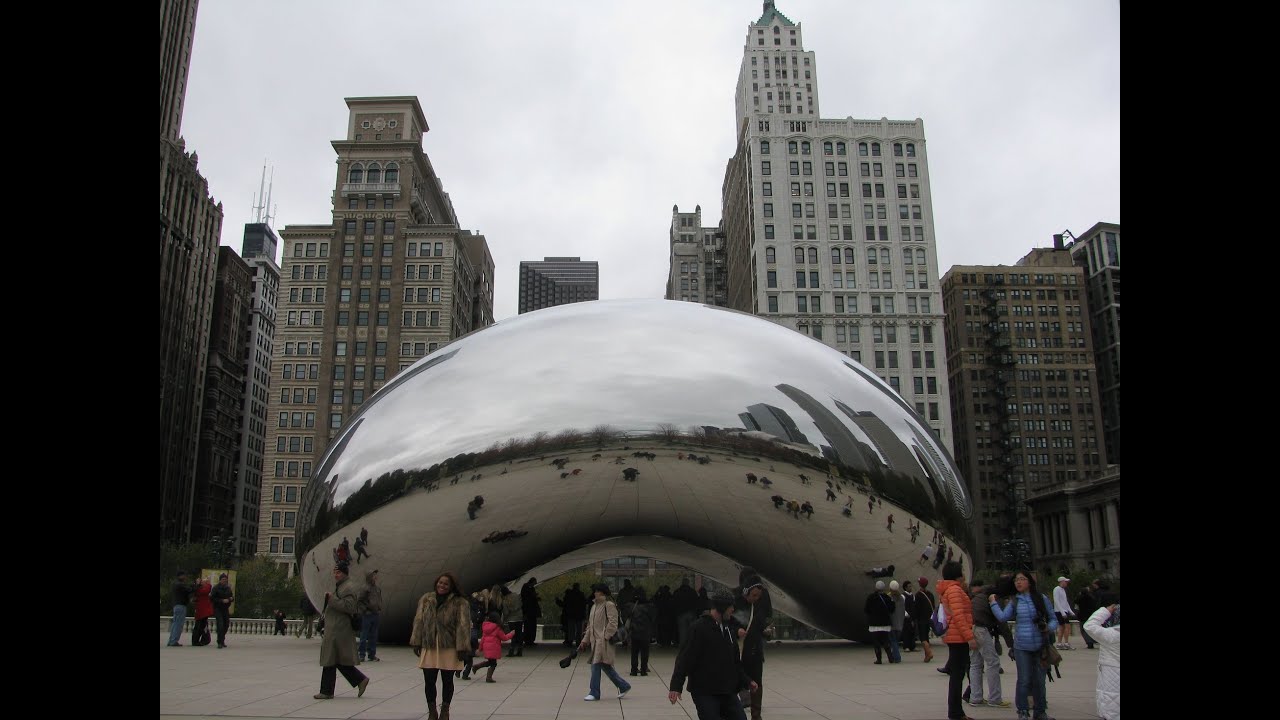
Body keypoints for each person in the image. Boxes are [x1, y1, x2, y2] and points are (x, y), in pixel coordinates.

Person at [668, 590, 758, 720]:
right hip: (705, 691)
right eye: (730, 607)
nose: (732, 610)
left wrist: (747, 680)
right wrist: (676, 686)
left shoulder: (728, 630)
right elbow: (685, 659)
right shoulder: (698, 628)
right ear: (721, 608)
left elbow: (734, 662)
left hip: (727, 691)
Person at [990, 571, 1059, 720]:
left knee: (1040, 681)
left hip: (1040, 646)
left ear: (1029, 582)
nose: (1018, 582)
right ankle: (1023, 711)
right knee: (1024, 680)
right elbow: (1003, 617)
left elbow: (1054, 619)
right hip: (1022, 646)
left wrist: (1048, 627)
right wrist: (993, 603)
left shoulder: (1041, 598)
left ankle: (1040, 712)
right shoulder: (1015, 600)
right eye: (1016, 580)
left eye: (1022, 579)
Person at [410, 572, 472, 720]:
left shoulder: (460, 602)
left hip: (449, 646)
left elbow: (463, 625)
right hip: (429, 644)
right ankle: (432, 711)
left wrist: (462, 647)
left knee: (447, 680)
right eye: (440, 582)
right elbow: (419, 620)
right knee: (429, 680)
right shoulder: (427, 599)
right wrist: (416, 640)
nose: (442, 586)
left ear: (451, 587)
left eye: (445, 584)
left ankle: (445, 710)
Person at [313, 563, 370, 701]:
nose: (335, 575)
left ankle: (327, 691)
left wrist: (332, 600)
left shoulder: (348, 587)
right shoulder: (342, 585)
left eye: (338, 572)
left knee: (330, 659)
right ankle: (359, 680)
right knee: (334, 660)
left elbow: (350, 607)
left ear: (344, 573)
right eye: (334, 572)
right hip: (335, 628)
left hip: (339, 629)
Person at [936, 561, 977, 720]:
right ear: (958, 575)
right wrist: (970, 637)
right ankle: (955, 712)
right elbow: (959, 616)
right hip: (958, 637)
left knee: (957, 675)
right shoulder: (954, 590)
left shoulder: (951, 589)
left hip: (955, 636)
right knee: (957, 675)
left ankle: (956, 712)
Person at [578, 583, 632, 701]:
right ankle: (624, 686)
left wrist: (605, 637)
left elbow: (613, 623)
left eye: (597, 591)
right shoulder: (594, 606)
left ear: (603, 592)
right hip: (596, 642)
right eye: (595, 591)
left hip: (604, 642)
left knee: (595, 665)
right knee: (605, 666)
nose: (595, 593)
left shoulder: (609, 605)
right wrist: (584, 641)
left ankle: (594, 692)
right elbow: (590, 627)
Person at [730, 574, 771, 720]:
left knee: (756, 683)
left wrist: (766, 631)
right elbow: (727, 623)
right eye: (753, 595)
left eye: (758, 596)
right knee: (734, 682)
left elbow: (762, 623)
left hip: (754, 651)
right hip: (738, 650)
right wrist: (737, 630)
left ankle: (756, 715)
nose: (755, 598)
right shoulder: (734, 603)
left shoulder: (759, 604)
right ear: (746, 591)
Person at [967, 578, 1009, 708]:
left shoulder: (980, 594)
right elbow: (1002, 621)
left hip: (971, 628)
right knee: (993, 662)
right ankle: (995, 698)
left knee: (975, 664)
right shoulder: (993, 597)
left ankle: (976, 697)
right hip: (981, 629)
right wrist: (1011, 643)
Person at [1082, 596, 1120, 720]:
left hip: (1111, 676)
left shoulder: (1111, 634)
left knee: (1112, 707)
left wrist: (1105, 611)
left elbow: (1089, 625)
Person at [471, 610, 516, 683]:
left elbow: (483, 638)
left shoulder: (485, 627)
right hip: (494, 648)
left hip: (487, 647)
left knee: (490, 662)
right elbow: (504, 638)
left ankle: (477, 667)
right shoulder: (497, 628)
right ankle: (488, 677)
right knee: (493, 664)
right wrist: (511, 634)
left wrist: (480, 648)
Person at [627, 587, 657, 676]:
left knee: (634, 652)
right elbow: (653, 618)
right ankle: (644, 669)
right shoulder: (649, 606)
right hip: (645, 632)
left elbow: (626, 617)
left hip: (634, 631)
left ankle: (634, 670)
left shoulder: (630, 606)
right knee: (645, 652)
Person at [864, 581, 894, 664]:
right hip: (885, 622)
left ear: (876, 588)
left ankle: (879, 659)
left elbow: (866, 609)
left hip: (874, 623)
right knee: (886, 640)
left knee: (876, 641)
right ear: (883, 588)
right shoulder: (887, 598)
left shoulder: (871, 597)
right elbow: (892, 609)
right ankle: (890, 657)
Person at [358, 569, 383, 662]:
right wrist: (365, 610)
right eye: (374, 575)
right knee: (364, 635)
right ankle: (361, 654)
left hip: (375, 614)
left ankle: (372, 654)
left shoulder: (377, 588)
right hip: (367, 615)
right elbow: (360, 601)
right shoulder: (365, 588)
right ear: (370, 577)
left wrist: (379, 608)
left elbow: (379, 599)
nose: (375, 577)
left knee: (373, 635)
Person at [167, 570, 194, 647]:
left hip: (176, 605)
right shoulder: (179, 584)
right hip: (181, 606)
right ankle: (174, 641)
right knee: (178, 624)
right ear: (180, 576)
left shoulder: (175, 584)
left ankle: (171, 640)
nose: (185, 577)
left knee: (175, 624)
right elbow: (189, 589)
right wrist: (196, 585)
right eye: (184, 575)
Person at [912, 577, 936, 662]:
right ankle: (926, 656)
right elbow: (933, 606)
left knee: (923, 638)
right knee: (926, 637)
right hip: (929, 619)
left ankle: (929, 653)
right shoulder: (930, 594)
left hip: (921, 619)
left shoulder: (918, 595)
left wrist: (914, 618)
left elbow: (916, 608)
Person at [1075, 580, 1101, 649]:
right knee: (1089, 629)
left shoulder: (1079, 598)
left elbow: (1076, 603)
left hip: (1082, 616)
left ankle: (1089, 642)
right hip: (1090, 615)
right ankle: (1091, 641)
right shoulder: (1091, 597)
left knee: (1083, 629)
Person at [673, 578, 699, 647]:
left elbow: (674, 603)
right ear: (688, 583)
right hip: (691, 613)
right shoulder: (692, 592)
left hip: (680, 614)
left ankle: (683, 647)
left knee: (682, 633)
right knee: (692, 631)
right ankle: (692, 646)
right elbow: (696, 602)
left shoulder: (677, 592)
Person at [211, 573, 235, 649]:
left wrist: (231, 599)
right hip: (218, 608)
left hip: (225, 609)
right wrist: (221, 600)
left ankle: (222, 639)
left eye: (226, 579)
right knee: (220, 625)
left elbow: (231, 597)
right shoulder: (215, 588)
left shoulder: (228, 588)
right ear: (220, 580)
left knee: (226, 625)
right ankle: (219, 642)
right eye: (223, 579)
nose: (224, 581)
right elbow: (212, 599)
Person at [1051, 577, 1075, 649]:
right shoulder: (1056, 589)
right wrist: (1062, 612)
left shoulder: (1063, 590)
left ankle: (1061, 643)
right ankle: (1064, 643)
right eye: (1066, 582)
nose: (1067, 583)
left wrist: (1070, 611)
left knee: (1063, 627)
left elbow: (1065, 602)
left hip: (1064, 611)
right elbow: (1056, 601)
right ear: (1062, 582)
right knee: (1065, 626)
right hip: (1059, 611)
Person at [191, 575, 213, 646]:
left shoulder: (198, 588)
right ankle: (196, 641)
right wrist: (209, 583)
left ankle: (200, 640)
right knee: (200, 626)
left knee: (201, 626)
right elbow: (206, 590)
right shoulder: (199, 589)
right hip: (202, 611)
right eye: (203, 582)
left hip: (202, 611)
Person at [520, 577, 541, 648]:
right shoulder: (526, 588)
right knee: (528, 625)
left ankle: (530, 640)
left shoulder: (531, 588)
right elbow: (525, 598)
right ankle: (527, 640)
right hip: (528, 610)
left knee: (531, 625)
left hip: (531, 611)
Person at [888, 580, 905, 663]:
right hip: (900, 624)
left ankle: (897, 657)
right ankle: (893, 655)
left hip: (892, 623)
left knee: (893, 641)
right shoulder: (901, 598)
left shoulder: (889, 597)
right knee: (895, 642)